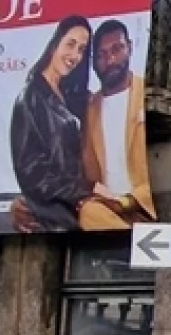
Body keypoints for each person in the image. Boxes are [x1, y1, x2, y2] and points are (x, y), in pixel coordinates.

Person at [8, 16, 131, 232]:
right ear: (55, 43)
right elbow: (33, 173)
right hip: (56, 219)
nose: (75, 56)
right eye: (70, 44)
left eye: (82, 49)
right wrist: (88, 189)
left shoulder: (75, 97)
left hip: (84, 206)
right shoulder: (30, 98)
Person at [81, 18, 154, 220]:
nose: (111, 60)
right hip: (106, 213)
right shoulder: (88, 111)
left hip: (147, 208)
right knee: (88, 213)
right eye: (102, 55)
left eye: (117, 49)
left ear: (129, 47)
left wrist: (127, 202)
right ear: (93, 62)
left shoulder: (148, 95)